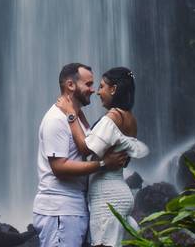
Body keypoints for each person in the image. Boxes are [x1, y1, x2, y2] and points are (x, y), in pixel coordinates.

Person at [33, 63, 130, 247]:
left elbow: (86, 145)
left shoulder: (75, 119)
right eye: (88, 84)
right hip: (59, 211)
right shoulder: (56, 119)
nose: (93, 90)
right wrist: (103, 164)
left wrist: (75, 113)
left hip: (73, 208)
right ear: (71, 85)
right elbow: (59, 168)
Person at [56, 66, 149, 247]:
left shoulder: (112, 117)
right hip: (119, 190)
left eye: (101, 87)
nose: (98, 92)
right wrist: (79, 113)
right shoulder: (129, 118)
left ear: (113, 89)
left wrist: (70, 114)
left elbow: (85, 148)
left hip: (107, 197)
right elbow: (98, 138)